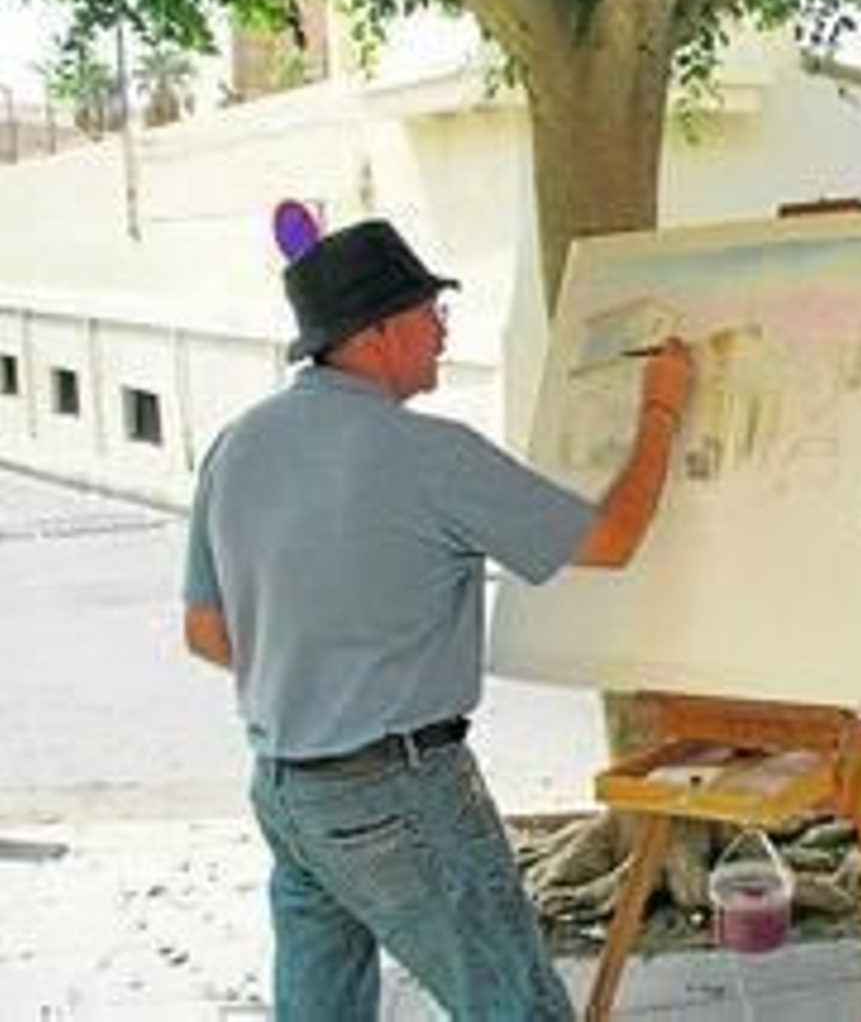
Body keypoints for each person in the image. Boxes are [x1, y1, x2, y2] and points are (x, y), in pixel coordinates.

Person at [182, 218, 692, 1020]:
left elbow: (206, 633)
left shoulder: (236, 445)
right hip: (401, 791)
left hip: (287, 790)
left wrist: (318, 671)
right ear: (376, 332)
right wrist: (661, 410)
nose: (443, 331)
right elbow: (613, 539)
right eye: (429, 312)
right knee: (516, 1009)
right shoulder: (431, 454)